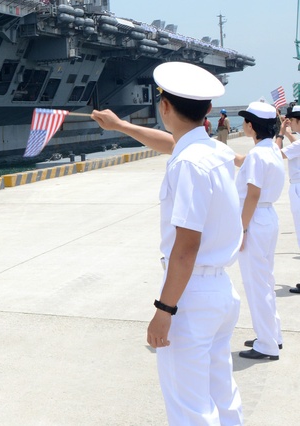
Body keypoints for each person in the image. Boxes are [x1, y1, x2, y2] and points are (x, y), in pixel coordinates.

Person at [91, 62, 242, 425]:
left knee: (190, 410)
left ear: (164, 107)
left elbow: (186, 247)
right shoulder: (218, 153)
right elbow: (176, 144)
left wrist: (165, 310)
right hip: (221, 291)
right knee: (224, 396)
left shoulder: (187, 165)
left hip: (190, 296)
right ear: (207, 110)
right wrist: (121, 126)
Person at [234, 100, 284, 360]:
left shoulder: (257, 155)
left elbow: (252, 194)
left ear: (251, 126)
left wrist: (241, 230)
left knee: (256, 285)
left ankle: (266, 344)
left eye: (245, 121)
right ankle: (272, 334)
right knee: (266, 280)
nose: (243, 124)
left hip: (254, 220)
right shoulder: (272, 149)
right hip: (268, 218)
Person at [275, 103, 300, 295]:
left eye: (291, 120)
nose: (289, 122)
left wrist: (280, 134)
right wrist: (287, 131)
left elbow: (277, 155)